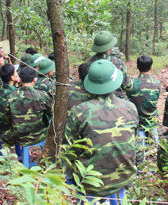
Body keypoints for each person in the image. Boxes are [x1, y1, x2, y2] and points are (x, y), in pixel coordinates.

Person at [65, 60, 138, 198]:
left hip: (89, 180)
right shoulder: (130, 108)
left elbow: (69, 150)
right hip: (124, 177)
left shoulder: (80, 111)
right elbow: (136, 146)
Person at [3, 67, 52, 147]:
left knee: (4, 138)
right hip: (39, 136)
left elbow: (7, 117)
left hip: (18, 136)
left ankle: (11, 158)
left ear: (20, 80)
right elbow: (52, 111)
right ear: (35, 80)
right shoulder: (42, 95)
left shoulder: (11, 96)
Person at [85, 31, 133, 98]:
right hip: (117, 99)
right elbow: (128, 86)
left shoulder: (88, 63)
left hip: (94, 99)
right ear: (110, 47)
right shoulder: (119, 63)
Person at [126, 55, 161, 135]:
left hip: (136, 120)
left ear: (137, 67)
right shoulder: (157, 84)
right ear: (151, 67)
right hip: (152, 121)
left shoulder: (131, 84)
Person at [0, 64, 19, 133]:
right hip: (9, 127)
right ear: (12, 78)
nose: (17, 74)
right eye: (15, 72)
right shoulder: (15, 93)